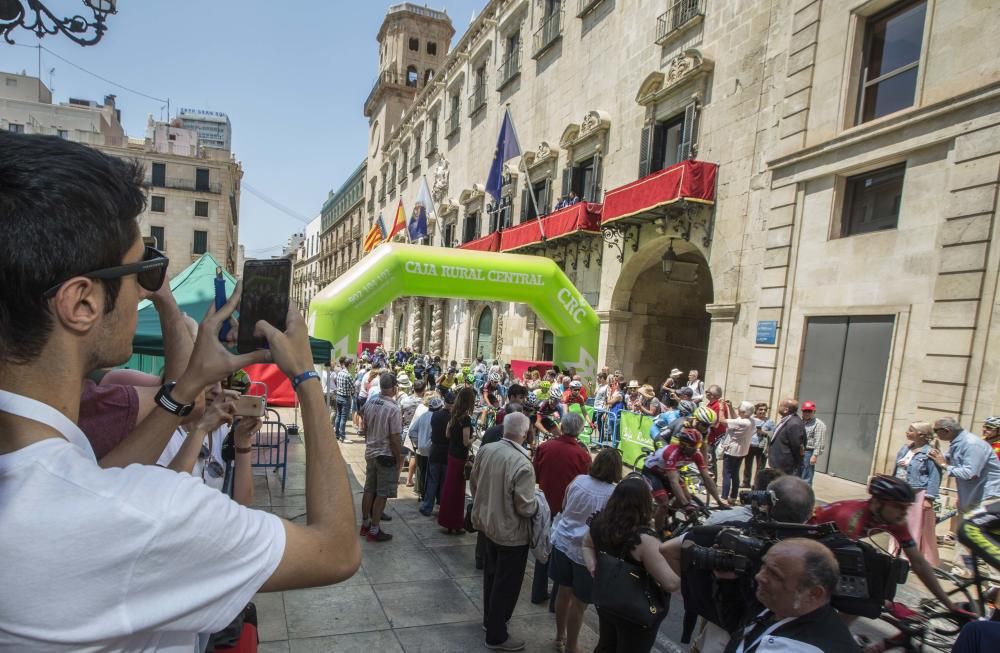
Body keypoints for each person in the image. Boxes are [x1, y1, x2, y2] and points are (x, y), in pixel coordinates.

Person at [0, 132, 360, 650]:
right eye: (142, 269)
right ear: (82, 303)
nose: (149, 286)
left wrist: (188, 385)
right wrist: (306, 378)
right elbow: (336, 550)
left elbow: (99, 478)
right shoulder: (144, 517)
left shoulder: (46, 472)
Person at [811, 474, 958, 612]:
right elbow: (839, 566)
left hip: (830, 545)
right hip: (808, 540)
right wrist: (885, 603)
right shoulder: (851, 517)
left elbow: (918, 562)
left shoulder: (894, 519)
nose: (904, 513)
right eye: (899, 507)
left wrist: (949, 605)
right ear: (876, 503)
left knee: (869, 596)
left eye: (907, 507)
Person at [582, 477, 680, 653]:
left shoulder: (600, 522)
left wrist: (593, 566)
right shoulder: (644, 540)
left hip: (606, 599)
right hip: (635, 611)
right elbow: (671, 583)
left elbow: (586, 545)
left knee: (606, 644)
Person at [470, 412, 538, 651]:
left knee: (491, 576)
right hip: (510, 533)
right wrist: (538, 504)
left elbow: (474, 482)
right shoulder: (522, 463)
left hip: (488, 525)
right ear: (525, 433)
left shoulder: (487, 449)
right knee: (505, 584)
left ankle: (490, 622)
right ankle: (497, 635)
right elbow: (525, 506)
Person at [722, 539, 860, 653]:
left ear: (813, 593)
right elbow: (739, 629)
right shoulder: (780, 605)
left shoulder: (805, 649)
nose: (759, 576)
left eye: (775, 574)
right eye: (764, 566)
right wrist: (726, 582)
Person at [549, 448, 621, 653]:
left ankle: (560, 637)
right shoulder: (613, 493)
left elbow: (564, 506)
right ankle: (572, 646)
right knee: (579, 604)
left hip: (563, 541)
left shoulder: (578, 480)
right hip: (586, 552)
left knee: (563, 592)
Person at [531, 413, 593, 605]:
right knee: (562, 557)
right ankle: (556, 602)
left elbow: (535, 475)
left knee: (543, 552)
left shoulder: (545, 447)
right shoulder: (582, 455)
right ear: (579, 430)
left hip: (546, 507)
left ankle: (538, 592)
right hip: (567, 512)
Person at [642, 427, 729, 532]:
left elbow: (706, 477)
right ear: (683, 445)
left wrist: (718, 501)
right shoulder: (671, 453)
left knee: (687, 498)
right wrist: (686, 506)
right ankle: (659, 533)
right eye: (694, 446)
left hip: (667, 473)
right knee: (664, 503)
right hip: (652, 473)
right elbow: (674, 482)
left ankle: (667, 514)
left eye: (698, 445)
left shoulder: (696, 454)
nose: (697, 449)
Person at [359, 372, 403, 543]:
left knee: (369, 489)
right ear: (393, 388)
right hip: (385, 455)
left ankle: (365, 524)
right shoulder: (393, 409)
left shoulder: (370, 402)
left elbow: (364, 424)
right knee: (382, 494)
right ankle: (375, 530)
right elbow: (394, 437)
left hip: (371, 452)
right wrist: (398, 456)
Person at [891, 421, 942, 566]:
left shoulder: (930, 453)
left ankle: (910, 558)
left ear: (920, 434)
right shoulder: (904, 449)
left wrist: (929, 498)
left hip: (917, 493)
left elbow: (935, 476)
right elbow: (896, 470)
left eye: (910, 430)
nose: (907, 432)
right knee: (897, 523)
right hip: (901, 493)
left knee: (913, 526)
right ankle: (896, 551)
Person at [929, 417, 1000, 512]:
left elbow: (970, 473)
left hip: (986, 498)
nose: (985, 429)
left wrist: (943, 464)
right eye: (984, 426)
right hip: (971, 495)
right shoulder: (962, 442)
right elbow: (949, 459)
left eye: (990, 428)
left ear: (947, 430)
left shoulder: (972, 444)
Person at [439, 386, 477, 534]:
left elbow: (447, 434)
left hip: (451, 455)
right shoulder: (466, 419)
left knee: (449, 489)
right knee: (458, 492)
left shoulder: (453, 415)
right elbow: (466, 441)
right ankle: (456, 523)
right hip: (460, 457)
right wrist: (476, 438)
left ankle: (447, 521)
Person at [420, 390, 453, 516]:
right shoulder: (452, 418)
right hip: (446, 450)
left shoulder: (436, 415)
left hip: (435, 450)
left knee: (432, 480)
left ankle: (427, 506)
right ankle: (442, 506)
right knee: (444, 481)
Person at [719, 400, 755, 500]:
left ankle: (724, 497)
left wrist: (722, 408)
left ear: (744, 412)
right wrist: (730, 407)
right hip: (742, 451)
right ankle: (734, 496)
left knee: (727, 474)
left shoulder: (743, 423)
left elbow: (722, 421)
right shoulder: (750, 421)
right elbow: (736, 418)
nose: (738, 411)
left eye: (740, 410)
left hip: (732, 450)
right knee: (735, 474)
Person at [410, 393, 439, 498]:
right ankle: (427, 495)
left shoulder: (423, 415)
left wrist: (418, 443)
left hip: (420, 449)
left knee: (421, 473)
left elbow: (412, 431)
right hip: (431, 450)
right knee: (430, 475)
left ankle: (421, 493)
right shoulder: (437, 417)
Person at [767, 398, 806, 475]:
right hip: (778, 462)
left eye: (780, 405)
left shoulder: (794, 423)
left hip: (785, 465)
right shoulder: (787, 420)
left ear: (786, 410)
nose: (778, 407)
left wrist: (794, 463)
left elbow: (797, 446)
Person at [399, 378, 425, 487]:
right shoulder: (424, 403)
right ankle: (409, 480)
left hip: (405, 430)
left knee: (401, 456)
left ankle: (396, 478)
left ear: (413, 388)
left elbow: (399, 416)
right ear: (423, 389)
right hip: (417, 432)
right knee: (413, 456)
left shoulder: (404, 401)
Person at [743, 403, 772, 488]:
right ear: (756, 410)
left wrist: (763, 432)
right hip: (750, 445)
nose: (763, 411)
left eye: (765, 410)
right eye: (760, 409)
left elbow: (773, 433)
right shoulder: (750, 420)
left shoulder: (770, 421)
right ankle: (746, 482)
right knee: (747, 465)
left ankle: (757, 484)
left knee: (760, 467)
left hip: (762, 447)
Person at [799, 400, 827, 484]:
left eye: (809, 411)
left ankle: (806, 496)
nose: (807, 413)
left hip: (808, 453)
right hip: (798, 452)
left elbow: (819, 441)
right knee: (797, 476)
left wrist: (815, 456)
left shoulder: (818, 424)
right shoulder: (800, 422)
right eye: (805, 411)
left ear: (814, 411)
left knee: (806, 477)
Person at [333, 357, 355, 442]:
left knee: (338, 415)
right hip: (345, 398)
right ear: (349, 364)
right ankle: (342, 436)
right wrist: (352, 392)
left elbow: (336, 383)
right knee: (343, 417)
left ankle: (337, 435)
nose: (352, 365)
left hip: (338, 396)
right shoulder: (348, 375)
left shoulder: (340, 373)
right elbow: (353, 388)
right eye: (352, 364)